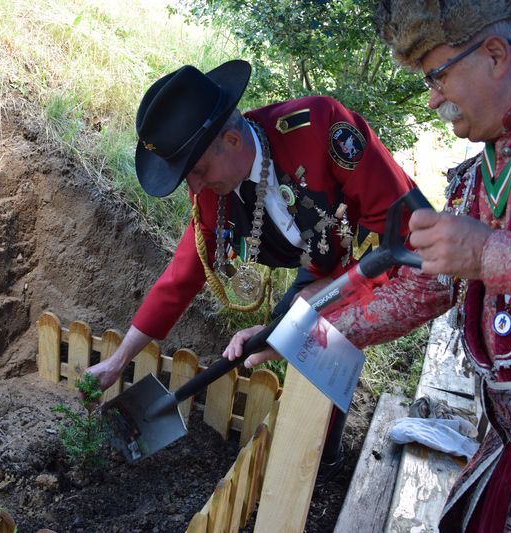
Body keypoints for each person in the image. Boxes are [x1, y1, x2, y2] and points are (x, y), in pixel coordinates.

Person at [225, 1, 511, 530]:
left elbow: (486, 259)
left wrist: (487, 255)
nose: (433, 97)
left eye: (437, 75)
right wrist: (293, 336)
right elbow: (421, 291)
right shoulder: (488, 166)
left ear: (495, 55)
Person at [86, 59, 415, 485]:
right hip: (319, 263)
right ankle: (317, 452)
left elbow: (396, 229)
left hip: (393, 256)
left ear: (232, 139)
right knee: (297, 330)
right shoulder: (211, 194)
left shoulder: (320, 128)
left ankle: (325, 468)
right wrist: (119, 359)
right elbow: (182, 277)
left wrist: (317, 301)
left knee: (320, 345)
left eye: (199, 171)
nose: (195, 189)